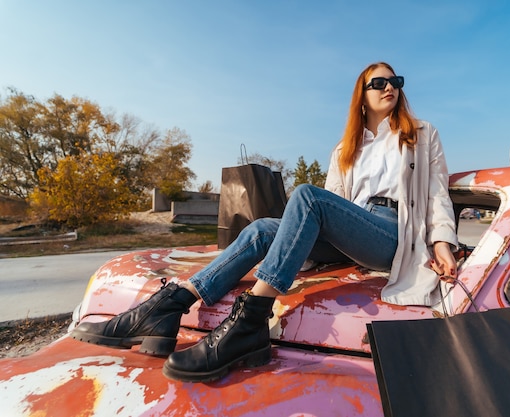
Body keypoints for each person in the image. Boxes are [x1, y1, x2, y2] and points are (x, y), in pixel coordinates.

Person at [70, 61, 459, 383]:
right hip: (352, 230)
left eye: (395, 81)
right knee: (259, 230)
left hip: (393, 232)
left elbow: (436, 193)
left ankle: (251, 319)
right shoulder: (344, 149)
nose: (389, 86)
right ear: (362, 94)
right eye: (379, 82)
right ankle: (171, 305)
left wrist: (442, 242)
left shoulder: (421, 134)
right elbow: (334, 206)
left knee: (307, 195)